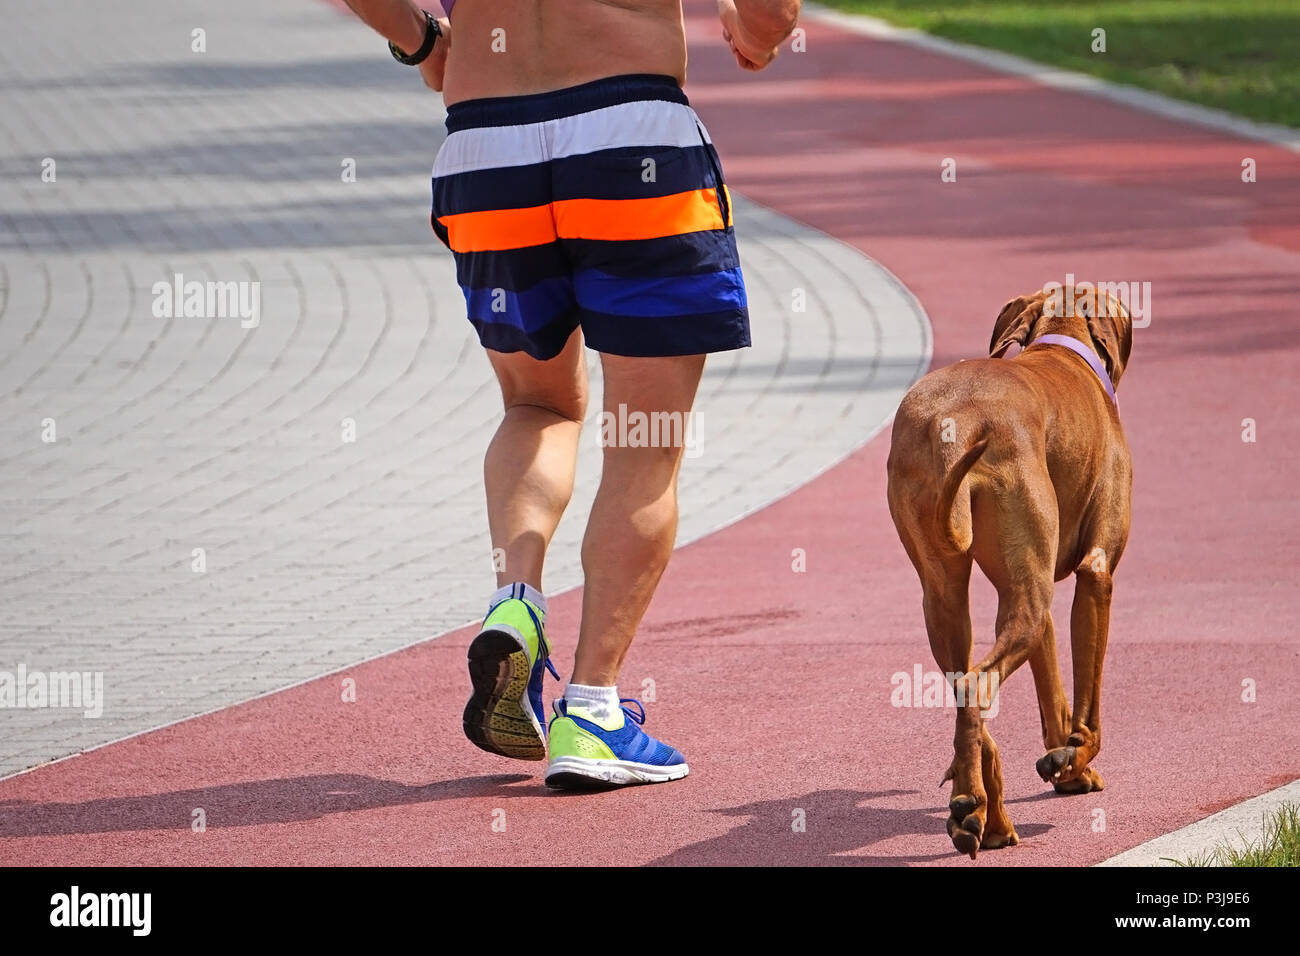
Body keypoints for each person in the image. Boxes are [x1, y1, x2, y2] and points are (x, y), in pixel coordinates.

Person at [343, 0, 800, 788]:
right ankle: (590, 711)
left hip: (488, 142)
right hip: (631, 135)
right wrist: (754, 32)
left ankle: (515, 599)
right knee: (646, 437)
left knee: (538, 405)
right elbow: (768, 15)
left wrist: (421, 39)